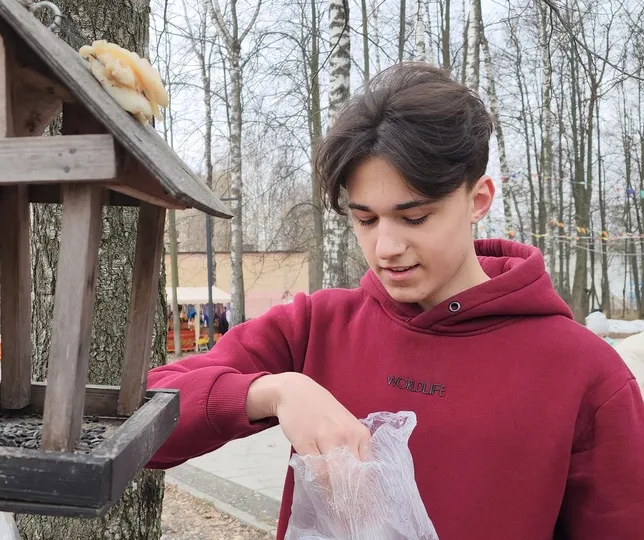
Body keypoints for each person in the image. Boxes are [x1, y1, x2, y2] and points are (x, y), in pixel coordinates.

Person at [144, 62, 644, 540]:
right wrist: (273, 392)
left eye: (415, 217)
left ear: (479, 199)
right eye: (365, 219)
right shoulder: (316, 326)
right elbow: (142, 414)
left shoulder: (586, 373)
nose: (386, 249)